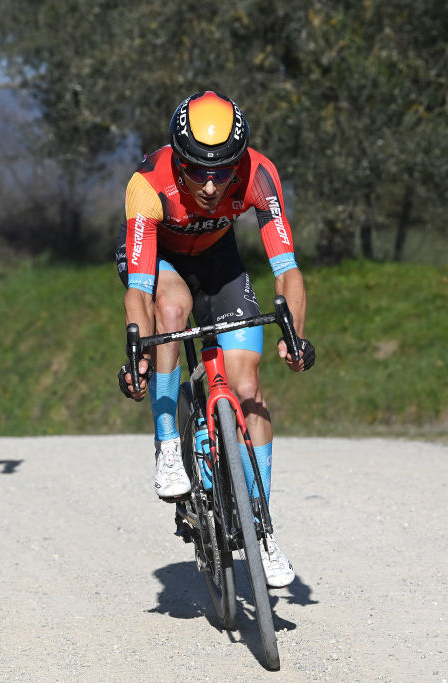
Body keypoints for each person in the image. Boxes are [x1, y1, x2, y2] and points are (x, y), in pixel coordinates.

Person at [115, 91, 316, 589]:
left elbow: (287, 269)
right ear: (177, 160)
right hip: (157, 260)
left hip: (217, 258)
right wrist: (137, 350)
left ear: (239, 160)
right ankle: (167, 443)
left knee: (248, 383)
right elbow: (139, 295)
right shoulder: (147, 185)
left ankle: (263, 531)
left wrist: (296, 334)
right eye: (196, 171)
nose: (209, 185)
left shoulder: (258, 175)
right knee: (172, 307)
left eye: (222, 171)